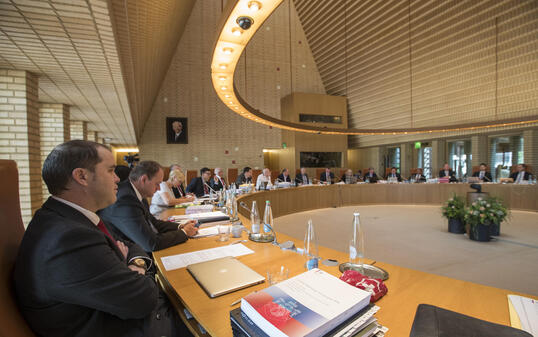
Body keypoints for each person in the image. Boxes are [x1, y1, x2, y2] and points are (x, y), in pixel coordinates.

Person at [14, 140, 189, 337]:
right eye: (110, 170)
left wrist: (132, 264)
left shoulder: (70, 218)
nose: (117, 179)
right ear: (82, 176)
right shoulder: (67, 238)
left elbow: (129, 245)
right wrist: (133, 268)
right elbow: (143, 300)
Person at [99, 160, 198, 253]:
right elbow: (151, 243)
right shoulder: (125, 199)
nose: (159, 188)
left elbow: (153, 223)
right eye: (157, 183)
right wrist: (184, 232)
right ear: (144, 179)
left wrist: (181, 226)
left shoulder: (137, 194)